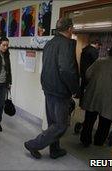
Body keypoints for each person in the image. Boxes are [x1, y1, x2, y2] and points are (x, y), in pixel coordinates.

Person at [24, 18, 79, 159]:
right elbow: (67, 70)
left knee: (53, 123)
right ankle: (33, 144)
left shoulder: (49, 43)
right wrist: (74, 88)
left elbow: (47, 66)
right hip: (60, 91)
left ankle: (55, 150)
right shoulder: (66, 44)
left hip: (49, 88)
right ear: (70, 29)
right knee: (60, 125)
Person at [79, 45, 112, 147]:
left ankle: (85, 140)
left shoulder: (99, 61)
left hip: (94, 95)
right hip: (111, 98)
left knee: (89, 120)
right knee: (105, 122)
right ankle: (99, 142)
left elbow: (88, 74)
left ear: (110, 52)